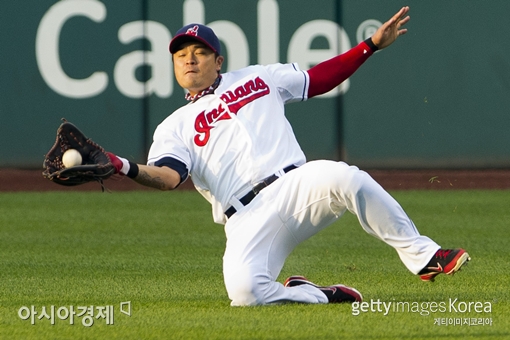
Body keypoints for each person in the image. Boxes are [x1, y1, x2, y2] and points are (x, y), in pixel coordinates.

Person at [107, 6, 470, 306]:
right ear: (174, 66)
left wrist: (370, 45)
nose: (189, 60)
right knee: (245, 293)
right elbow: (169, 177)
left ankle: (425, 257)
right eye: (181, 55)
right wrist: (122, 166)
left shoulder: (258, 77)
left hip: (296, 185)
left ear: (218, 60)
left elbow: (318, 79)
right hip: (245, 218)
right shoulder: (174, 126)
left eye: (199, 52)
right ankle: (314, 295)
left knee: (347, 177)